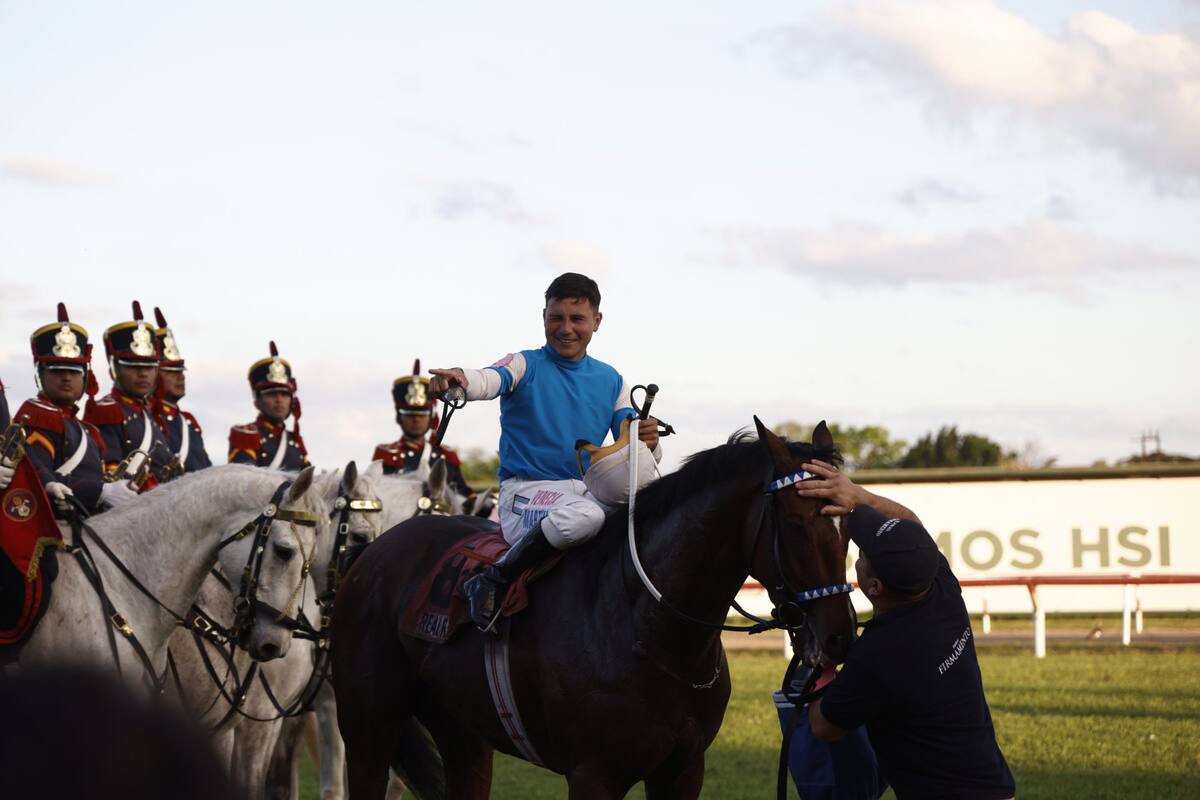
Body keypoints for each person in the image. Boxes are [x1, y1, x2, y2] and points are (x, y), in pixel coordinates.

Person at [428, 272, 662, 630]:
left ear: (597, 321)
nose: (566, 328)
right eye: (557, 318)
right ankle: (495, 578)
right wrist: (459, 378)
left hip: (585, 494)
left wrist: (649, 442)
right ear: (544, 317)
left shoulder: (612, 380)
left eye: (577, 318)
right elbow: (488, 378)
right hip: (525, 495)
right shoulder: (524, 364)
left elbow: (631, 448)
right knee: (587, 517)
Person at [799, 461, 1016, 800]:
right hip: (995, 789)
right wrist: (857, 495)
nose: (859, 555)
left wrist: (823, 667)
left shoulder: (878, 654)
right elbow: (911, 525)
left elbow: (822, 726)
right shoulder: (941, 591)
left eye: (862, 554)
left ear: (874, 586)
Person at [4, 304, 115, 514]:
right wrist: (100, 492)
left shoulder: (88, 429)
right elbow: (36, 475)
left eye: (74, 371)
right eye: (57, 370)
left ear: (85, 377)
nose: (66, 377)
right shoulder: (38, 415)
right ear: (40, 375)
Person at [84, 301, 176, 489]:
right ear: (114, 370)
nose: (143, 374)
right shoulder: (106, 411)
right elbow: (110, 474)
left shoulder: (151, 413)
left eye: (149, 367)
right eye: (133, 366)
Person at [372, 358, 476, 497]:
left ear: (431, 417)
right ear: (399, 417)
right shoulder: (386, 456)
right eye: (409, 414)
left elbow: (464, 493)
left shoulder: (445, 456)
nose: (416, 419)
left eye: (422, 414)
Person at [228, 341, 309, 470]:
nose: (279, 400)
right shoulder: (246, 435)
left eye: (284, 394)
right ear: (258, 401)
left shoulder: (295, 441)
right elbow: (242, 480)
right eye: (271, 394)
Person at [151, 307, 212, 473]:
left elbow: (206, 470)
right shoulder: (148, 417)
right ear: (154, 374)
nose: (180, 377)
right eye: (171, 372)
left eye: (181, 371)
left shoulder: (188, 422)